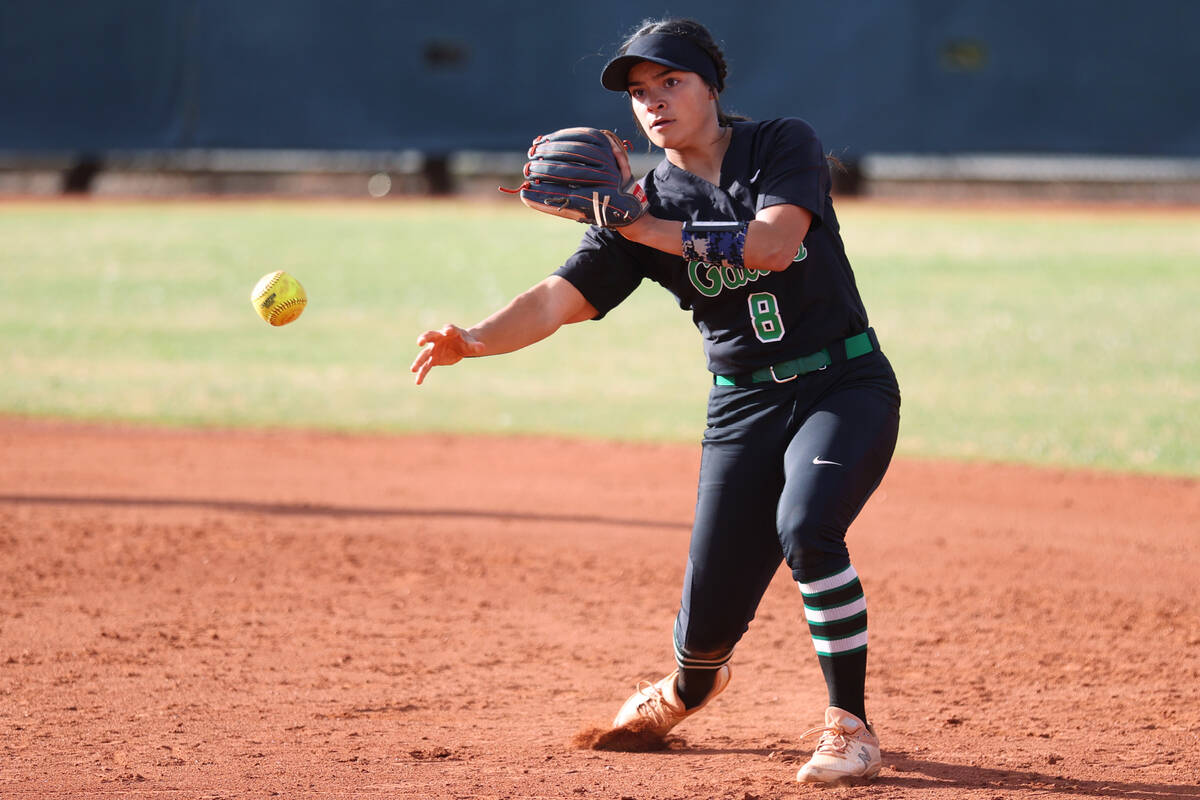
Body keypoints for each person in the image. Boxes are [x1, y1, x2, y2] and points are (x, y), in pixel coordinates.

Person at [411, 17, 900, 786]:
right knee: (703, 634)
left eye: (671, 81)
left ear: (711, 86)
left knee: (808, 528)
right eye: (640, 92)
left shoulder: (780, 144)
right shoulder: (634, 205)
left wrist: (639, 224)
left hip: (843, 382)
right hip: (742, 409)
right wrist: (471, 339)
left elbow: (772, 245)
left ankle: (850, 728)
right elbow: (554, 300)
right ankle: (692, 687)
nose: (654, 102)